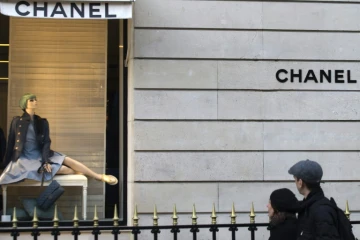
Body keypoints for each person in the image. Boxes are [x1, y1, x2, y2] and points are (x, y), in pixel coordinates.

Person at [0, 93, 118, 185]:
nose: (35, 102)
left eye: (35, 99)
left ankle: (98, 176)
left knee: (67, 159)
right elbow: (11, 142)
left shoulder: (42, 122)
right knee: (64, 169)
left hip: (41, 155)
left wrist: (46, 160)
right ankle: (81, 172)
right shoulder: (17, 121)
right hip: (25, 159)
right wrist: (6, 164)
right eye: (32, 100)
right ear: (24, 103)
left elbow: (46, 142)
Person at [288, 159, 340, 240]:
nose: (295, 183)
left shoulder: (321, 210)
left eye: (295, 179)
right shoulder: (308, 207)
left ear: (300, 182)